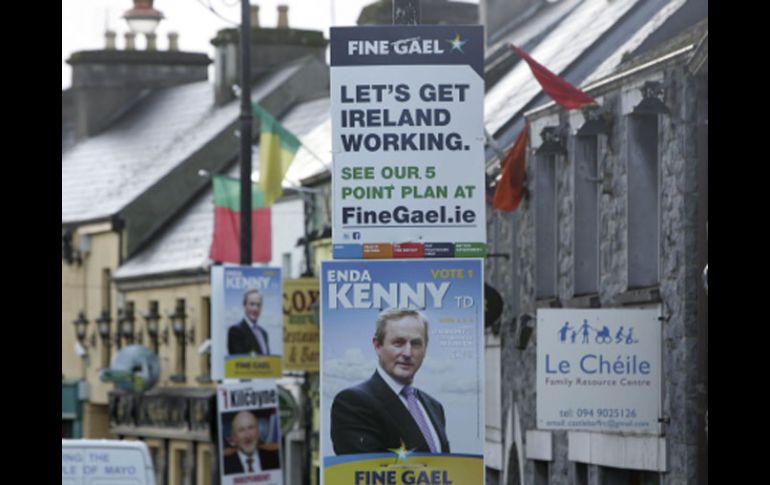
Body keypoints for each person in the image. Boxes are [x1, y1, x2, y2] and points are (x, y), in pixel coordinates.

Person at [330, 308, 450, 455]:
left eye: (416, 344)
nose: (407, 353)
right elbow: (363, 472)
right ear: (377, 345)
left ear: (425, 349)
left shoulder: (434, 406)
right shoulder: (353, 402)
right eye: (398, 343)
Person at [228, 289, 271, 355]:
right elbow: (237, 361)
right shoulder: (235, 331)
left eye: (258, 305)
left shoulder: (264, 333)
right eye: (252, 304)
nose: (255, 308)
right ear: (244, 306)